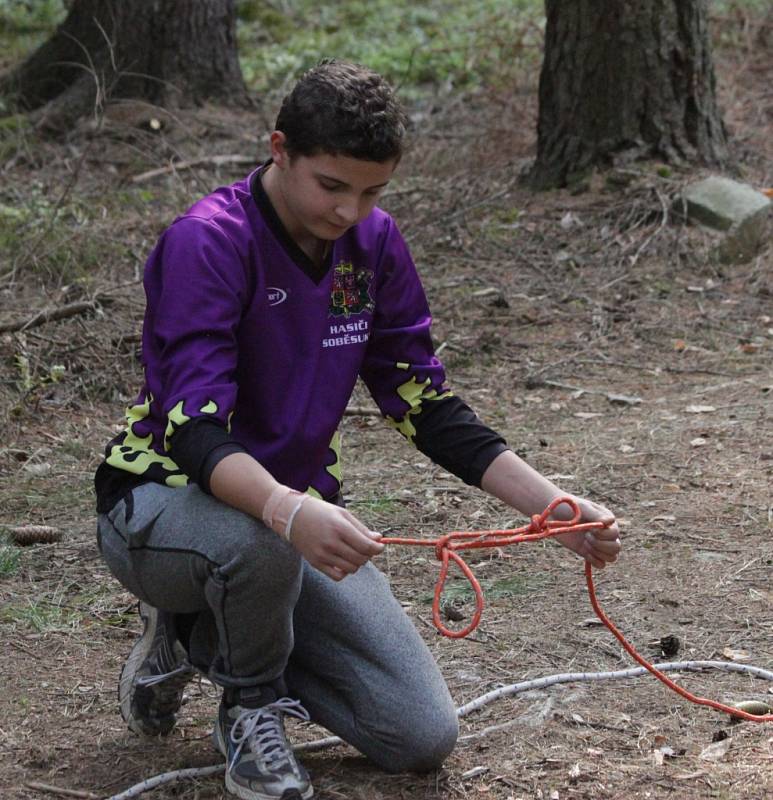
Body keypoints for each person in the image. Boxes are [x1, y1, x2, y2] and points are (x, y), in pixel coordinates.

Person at [95, 59, 621, 800]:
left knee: (417, 735)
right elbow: (193, 433)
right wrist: (289, 510)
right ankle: (248, 704)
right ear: (280, 149)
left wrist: (549, 509)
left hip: (289, 522)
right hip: (160, 502)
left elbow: (424, 405)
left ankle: (198, 634)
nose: (349, 211)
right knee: (254, 546)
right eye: (332, 186)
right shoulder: (208, 242)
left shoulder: (372, 245)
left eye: (372, 191)